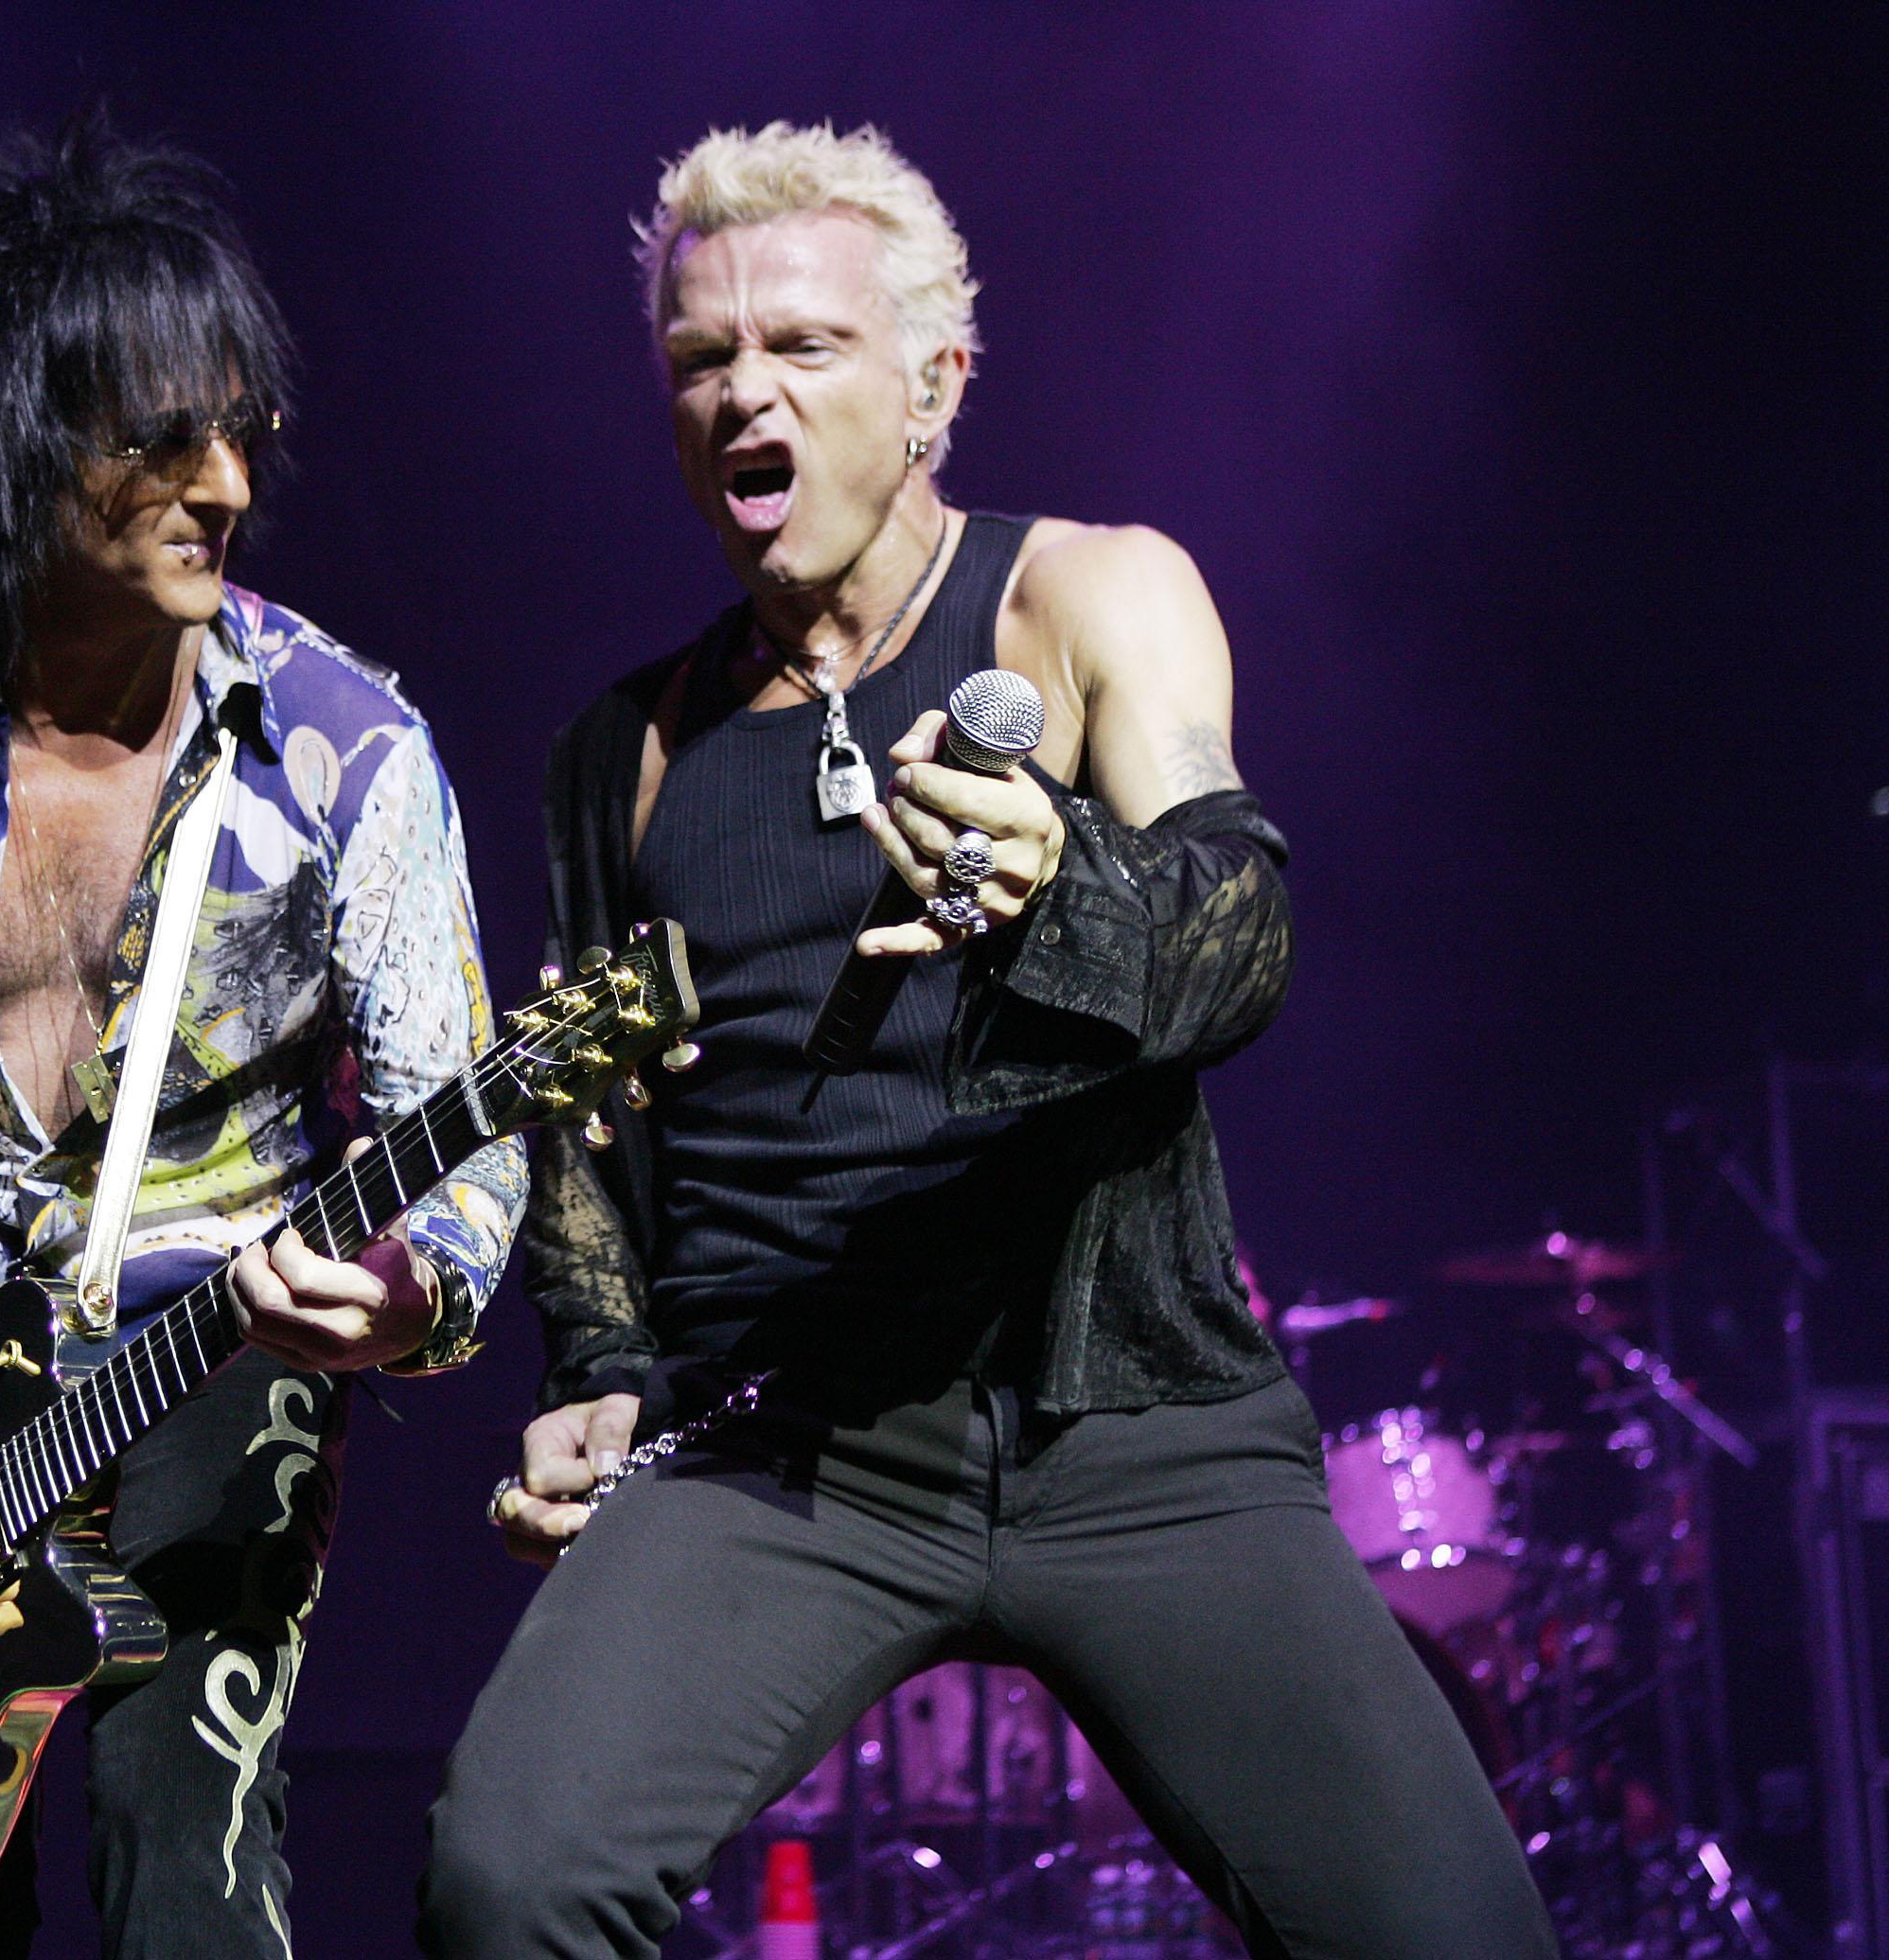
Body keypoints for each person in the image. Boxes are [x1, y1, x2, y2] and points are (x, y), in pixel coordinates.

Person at [419, 122, 1550, 1959]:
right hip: (787, 1445)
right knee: (508, 1885)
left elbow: (1243, 935)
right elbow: (583, 1126)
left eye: (803, 345)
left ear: (937, 383)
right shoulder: (622, 751)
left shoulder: (1089, 595)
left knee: (1458, 1940)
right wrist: (605, 1365)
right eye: (702, 359)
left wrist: (1063, 884)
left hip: (1133, 1424)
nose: (743, 394)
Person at [0, 118, 524, 1958]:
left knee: (190, 1878)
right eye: (162, 439)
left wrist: (412, 1299)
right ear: (3, 440)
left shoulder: (353, 755)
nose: (226, 482)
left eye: (242, 431)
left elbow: (468, 1127)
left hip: (214, 1362)